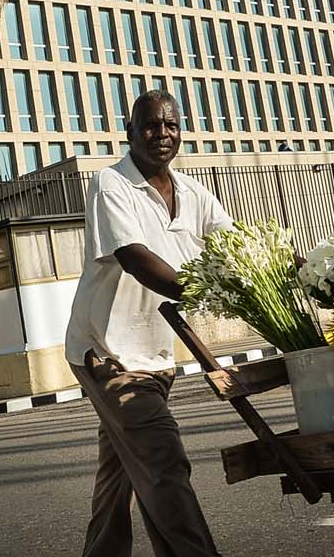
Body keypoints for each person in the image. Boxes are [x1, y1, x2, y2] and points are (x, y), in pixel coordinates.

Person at [64, 90, 233, 557]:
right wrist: (206, 293)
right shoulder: (112, 184)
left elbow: (236, 250)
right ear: (131, 133)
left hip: (156, 358)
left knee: (117, 480)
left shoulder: (195, 193)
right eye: (151, 126)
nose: (162, 134)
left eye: (171, 125)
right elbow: (135, 257)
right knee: (163, 464)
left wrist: (286, 271)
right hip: (108, 355)